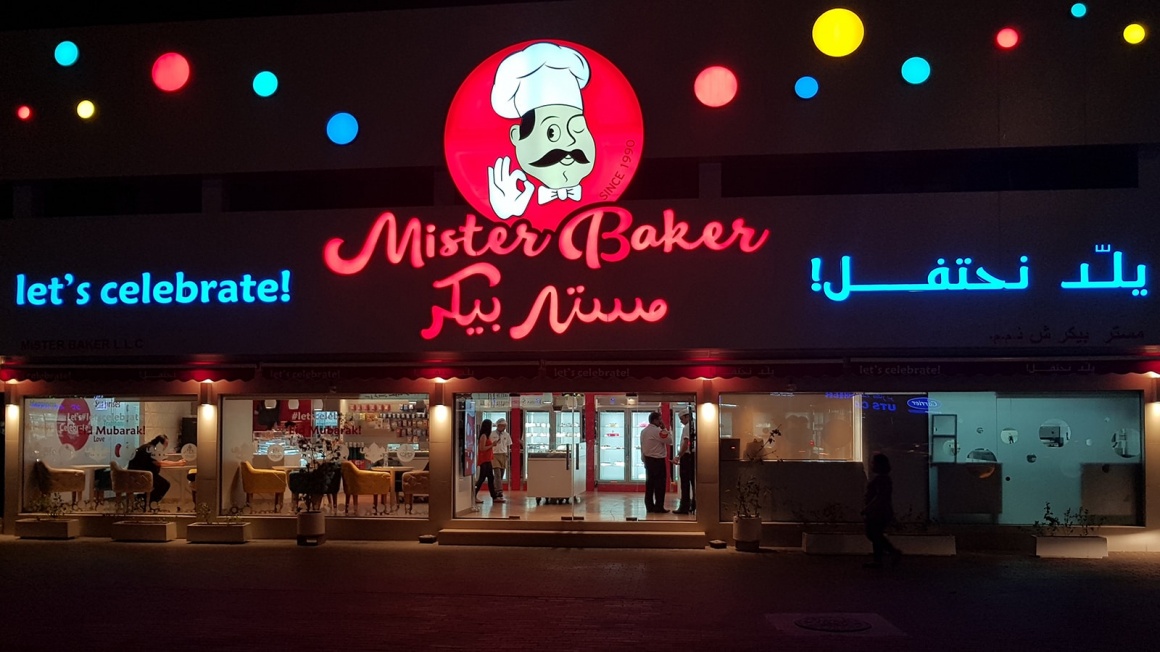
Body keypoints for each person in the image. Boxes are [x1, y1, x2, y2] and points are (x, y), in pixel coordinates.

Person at [487, 42, 597, 220]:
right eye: (551, 132)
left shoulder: (598, 192)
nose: (570, 142)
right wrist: (509, 216)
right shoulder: (518, 198)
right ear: (516, 136)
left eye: (578, 129)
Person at [862, 452, 902, 568]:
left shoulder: (882, 480)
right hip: (880, 511)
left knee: (874, 534)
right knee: (875, 534)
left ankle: (889, 554)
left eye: (873, 463)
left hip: (878, 512)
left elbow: (880, 497)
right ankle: (881, 558)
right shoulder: (883, 479)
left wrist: (867, 508)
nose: (871, 465)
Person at [127, 434, 184, 507]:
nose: (165, 447)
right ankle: (147, 502)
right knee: (164, 485)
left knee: (161, 484)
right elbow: (158, 462)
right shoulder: (151, 449)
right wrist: (177, 463)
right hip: (141, 476)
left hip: (136, 475)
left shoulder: (148, 447)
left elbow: (158, 460)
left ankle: (145, 501)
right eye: (165, 444)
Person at [640, 411, 671, 514]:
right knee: (660, 484)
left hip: (648, 460)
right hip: (658, 461)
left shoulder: (644, 431)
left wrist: (643, 459)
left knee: (649, 484)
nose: (661, 421)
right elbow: (669, 440)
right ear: (655, 420)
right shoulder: (657, 431)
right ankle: (659, 507)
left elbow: (642, 446)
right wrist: (664, 428)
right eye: (660, 419)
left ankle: (649, 506)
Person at [473, 419, 505, 504]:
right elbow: (482, 448)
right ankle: (474, 495)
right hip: (484, 460)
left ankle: (494, 497)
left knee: (491, 478)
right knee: (482, 478)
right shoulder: (483, 436)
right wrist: (492, 445)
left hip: (488, 460)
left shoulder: (486, 436)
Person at [673, 411, 695, 515]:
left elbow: (686, 443)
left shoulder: (687, 427)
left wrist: (678, 456)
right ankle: (693, 505)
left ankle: (684, 507)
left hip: (687, 457)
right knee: (693, 482)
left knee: (685, 483)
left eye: (682, 419)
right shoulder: (695, 425)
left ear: (687, 416)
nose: (681, 422)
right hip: (694, 456)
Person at [490, 417, 513, 499]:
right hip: (495, 454)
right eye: (502, 426)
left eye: (505, 426)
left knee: (501, 474)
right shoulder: (492, 434)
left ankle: (495, 488)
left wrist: (507, 455)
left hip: (503, 454)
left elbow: (508, 445)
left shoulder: (506, 435)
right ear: (498, 425)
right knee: (497, 474)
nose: (504, 427)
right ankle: (499, 491)